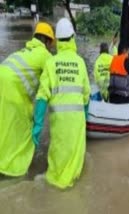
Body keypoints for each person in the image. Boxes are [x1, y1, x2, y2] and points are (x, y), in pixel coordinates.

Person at [32, 18, 90, 189]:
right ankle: (72, 181)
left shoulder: (51, 63)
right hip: (77, 119)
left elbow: (42, 97)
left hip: (58, 121)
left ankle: (55, 180)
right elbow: (86, 95)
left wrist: (37, 126)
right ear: (72, 37)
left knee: (58, 150)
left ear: (56, 40)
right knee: (75, 153)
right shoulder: (80, 63)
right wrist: (85, 116)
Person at [0, 22, 54, 177]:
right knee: (21, 131)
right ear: (48, 41)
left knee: (4, 126)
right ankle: (13, 171)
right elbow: (53, 83)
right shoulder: (45, 55)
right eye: (51, 44)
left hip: (2, 80)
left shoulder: (24, 51)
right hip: (13, 89)